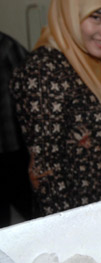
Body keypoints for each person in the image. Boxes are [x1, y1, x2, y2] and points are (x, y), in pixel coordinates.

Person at [9, 0, 101, 217]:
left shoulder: (91, 62)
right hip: (78, 214)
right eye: (96, 17)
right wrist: (70, 235)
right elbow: (47, 173)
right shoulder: (44, 69)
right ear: (70, 14)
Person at [0, 32, 32, 226]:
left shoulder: (5, 46)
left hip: (10, 139)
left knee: (23, 203)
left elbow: (32, 78)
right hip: (10, 143)